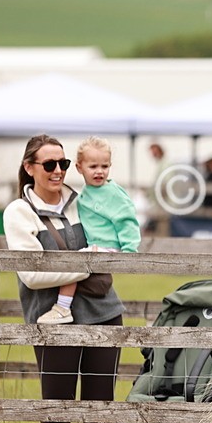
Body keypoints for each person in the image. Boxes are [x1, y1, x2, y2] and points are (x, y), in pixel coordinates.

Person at [3, 134, 125, 423]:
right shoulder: (18, 213)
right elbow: (32, 274)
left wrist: (81, 262)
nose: (58, 171)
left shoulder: (84, 202)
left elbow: (115, 245)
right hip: (52, 322)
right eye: (49, 164)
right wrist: (88, 260)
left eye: (63, 164)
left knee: (99, 410)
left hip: (104, 315)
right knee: (55, 411)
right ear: (29, 168)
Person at [36, 137, 140, 324]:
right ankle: (70, 306)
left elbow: (127, 220)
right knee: (78, 267)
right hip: (94, 246)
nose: (100, 172)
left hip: (108, 248)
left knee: (74, 263)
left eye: (104, 166)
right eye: (93, 167)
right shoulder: (84, 193)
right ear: (79, 168)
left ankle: (62, 307)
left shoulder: (113, 193)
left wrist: (129, 250)